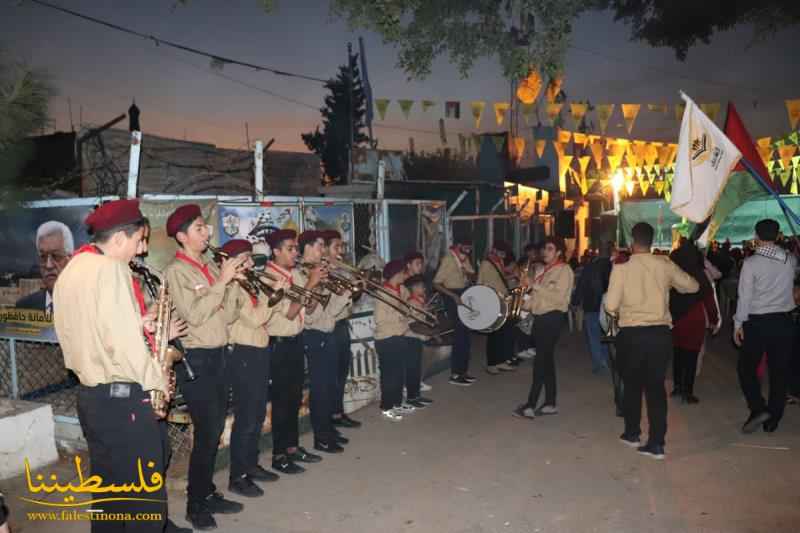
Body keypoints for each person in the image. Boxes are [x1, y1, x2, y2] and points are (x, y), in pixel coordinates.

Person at [53, 199, 169, 533]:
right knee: (145, 506)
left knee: (109, 498)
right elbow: (127, 346)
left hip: (92, 398)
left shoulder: (72, 269)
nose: (138, 252)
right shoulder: (111, 269)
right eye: (136, 242)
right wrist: (157, 382)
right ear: (119, 238)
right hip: (125, 401)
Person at [164, 204, 247, 530]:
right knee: (206, 432)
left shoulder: (210, 266)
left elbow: (225, 315)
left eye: (205, 227)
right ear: (182, 236)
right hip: (196, 360)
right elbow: (195, 315)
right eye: (200, 228)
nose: (207, 233)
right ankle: (195, 505)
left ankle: (207, 491)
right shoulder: (177, 271)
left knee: (213, 432)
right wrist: (221, 282)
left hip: (219, 354)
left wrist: (234, 283)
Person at [605, 222, 698, 460]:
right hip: (660, 334)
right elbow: (692, 286)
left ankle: (632, 433)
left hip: (632, 334)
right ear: (652, 241)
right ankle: (657, 443)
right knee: (656, 388)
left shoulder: (621, 268)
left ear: (631, 241)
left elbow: (611, 305)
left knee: (632, 385)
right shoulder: (664, 264)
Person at [221, 239, 284, 498]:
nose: (250, 263)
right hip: (244, 355)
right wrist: (275, 296)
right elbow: (256, 318)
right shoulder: (234, 288)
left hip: (258, 352)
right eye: (245, 258)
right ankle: (238, 476)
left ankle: (251, 464)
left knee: (257, 415)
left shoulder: (249, 284)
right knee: (246, 418)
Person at [263, 229, 325, 473]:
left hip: (296, 341)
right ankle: (279, 455)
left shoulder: (295, 275)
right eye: (290, 249)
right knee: (281, 402)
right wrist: (311, 282)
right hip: (279, 345)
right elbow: (288, 312)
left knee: (294, 399)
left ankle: (292, 447)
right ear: (276, 251)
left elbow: (306, 310)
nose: (295, 253)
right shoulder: (269, 278)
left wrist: (316, 285)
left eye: (296, 248)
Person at [734, 219, 797, 434]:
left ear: (756, 236)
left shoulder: (751, 263)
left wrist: (738, 323)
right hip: (784, 321)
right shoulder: (790, 259)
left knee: (746, 368)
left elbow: (745, 297)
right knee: (779, 371)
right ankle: (773, 419)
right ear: (778, 235)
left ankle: (758, 407)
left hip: (758, 322)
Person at [299, 230, 353, 454]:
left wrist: (345, 290)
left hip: (328, 329)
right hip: (315, 334)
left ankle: (328, 430)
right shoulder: (303, 273)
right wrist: (316, 283)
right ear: (308, 249)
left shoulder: (317, 271)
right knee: (320, 388)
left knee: (330, 385)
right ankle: (321, 436)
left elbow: (329, 308)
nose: (323, 252)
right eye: (319, 246)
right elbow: (309, 311)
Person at [513, 237, 574, 420]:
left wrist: (534, 285)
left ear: (558, 252)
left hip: (552, 319)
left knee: (540, 362)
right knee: (546, 361)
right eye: (544, 248)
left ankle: (530, 405)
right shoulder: (546, 271)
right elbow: (537, 300)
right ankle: (550, 403)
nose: (545, 252)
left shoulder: (564, 270)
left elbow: (559, 299)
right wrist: (521, 302)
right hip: (541, 319)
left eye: (550, 248)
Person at [669, 240, 720, 404]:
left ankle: (677, 387)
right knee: (691, 355)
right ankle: (687, 392)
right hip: (695, 318)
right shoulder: (700, 274)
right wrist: (714, 320)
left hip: (676, 318)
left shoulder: (673, 272)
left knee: (677, 353)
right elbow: (709, 300)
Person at [325, 230, 363, 429]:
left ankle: (338, 412)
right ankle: (330, 415)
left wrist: (359, 285)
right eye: (336, 247)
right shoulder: (323, 271)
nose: (340, 251)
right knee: (331, 375)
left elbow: (352, 298)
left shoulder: (342, 270)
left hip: (342, 324)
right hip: (330, 326)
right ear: (324, 249)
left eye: (341, 246)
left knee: (342, 372)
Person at [433, 238, 477, 386]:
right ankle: (456, 374)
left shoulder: (464, 258)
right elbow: (436, 283)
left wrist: (467, 272)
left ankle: (463, 371)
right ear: (458, 245)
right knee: (460, 335)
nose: (468, 251)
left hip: (463, 292)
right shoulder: (448, 259)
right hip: (452, 295)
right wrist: (453, 296)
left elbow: (473, 275)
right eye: (466, 247)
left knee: (465, 335)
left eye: (470, 248)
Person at [374, 259, 413, 420]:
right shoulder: (382, 292)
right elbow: (380, 319)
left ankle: (397, 403)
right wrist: (400, 315)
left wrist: (406, 311)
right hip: (386, 338)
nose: (406, 275)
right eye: (404, 272)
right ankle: (386, 406)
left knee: (398, 373)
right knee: (389, 375)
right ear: (397, 274)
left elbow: (408, 305)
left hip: (400, 335)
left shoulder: (401, 289)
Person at [572, 241, 613, 374]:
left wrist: (575, 301)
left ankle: (599, 363)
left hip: (592, 305)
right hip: (610, 308)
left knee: (594, 336)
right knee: (607, 336)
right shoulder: (615, 267)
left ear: (598, 251)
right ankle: (607, 361)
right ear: (611, 251)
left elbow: (582, 285)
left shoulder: (590, 267)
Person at [16, 220, 74, 313]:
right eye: (43, 257)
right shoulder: (24, 307)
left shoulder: (88, 305)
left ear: (70, 260)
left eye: (56, 256)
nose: (48, 265)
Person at [478, 241, 516, 374]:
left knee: (502, 333)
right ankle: (491, 363)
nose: (503, 256)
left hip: (502, 300)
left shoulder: (498, 261)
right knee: (494, 334)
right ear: (494, 250)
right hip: (491, 301)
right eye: (501, 252)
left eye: (504, 253)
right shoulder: (486, 263)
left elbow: (501, 279)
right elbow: (480, 283)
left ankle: (500, 361)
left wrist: (512, 276)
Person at [403, 251, 433, 393]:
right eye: (417, 264)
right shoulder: (405, 284)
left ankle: (417, 382)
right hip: (408, 327)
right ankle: (410, 386)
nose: (420, 266)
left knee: (419, 357)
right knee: (410, 359)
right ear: (408, 265)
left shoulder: (419, 281)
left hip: (418, 324)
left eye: (422, 263)